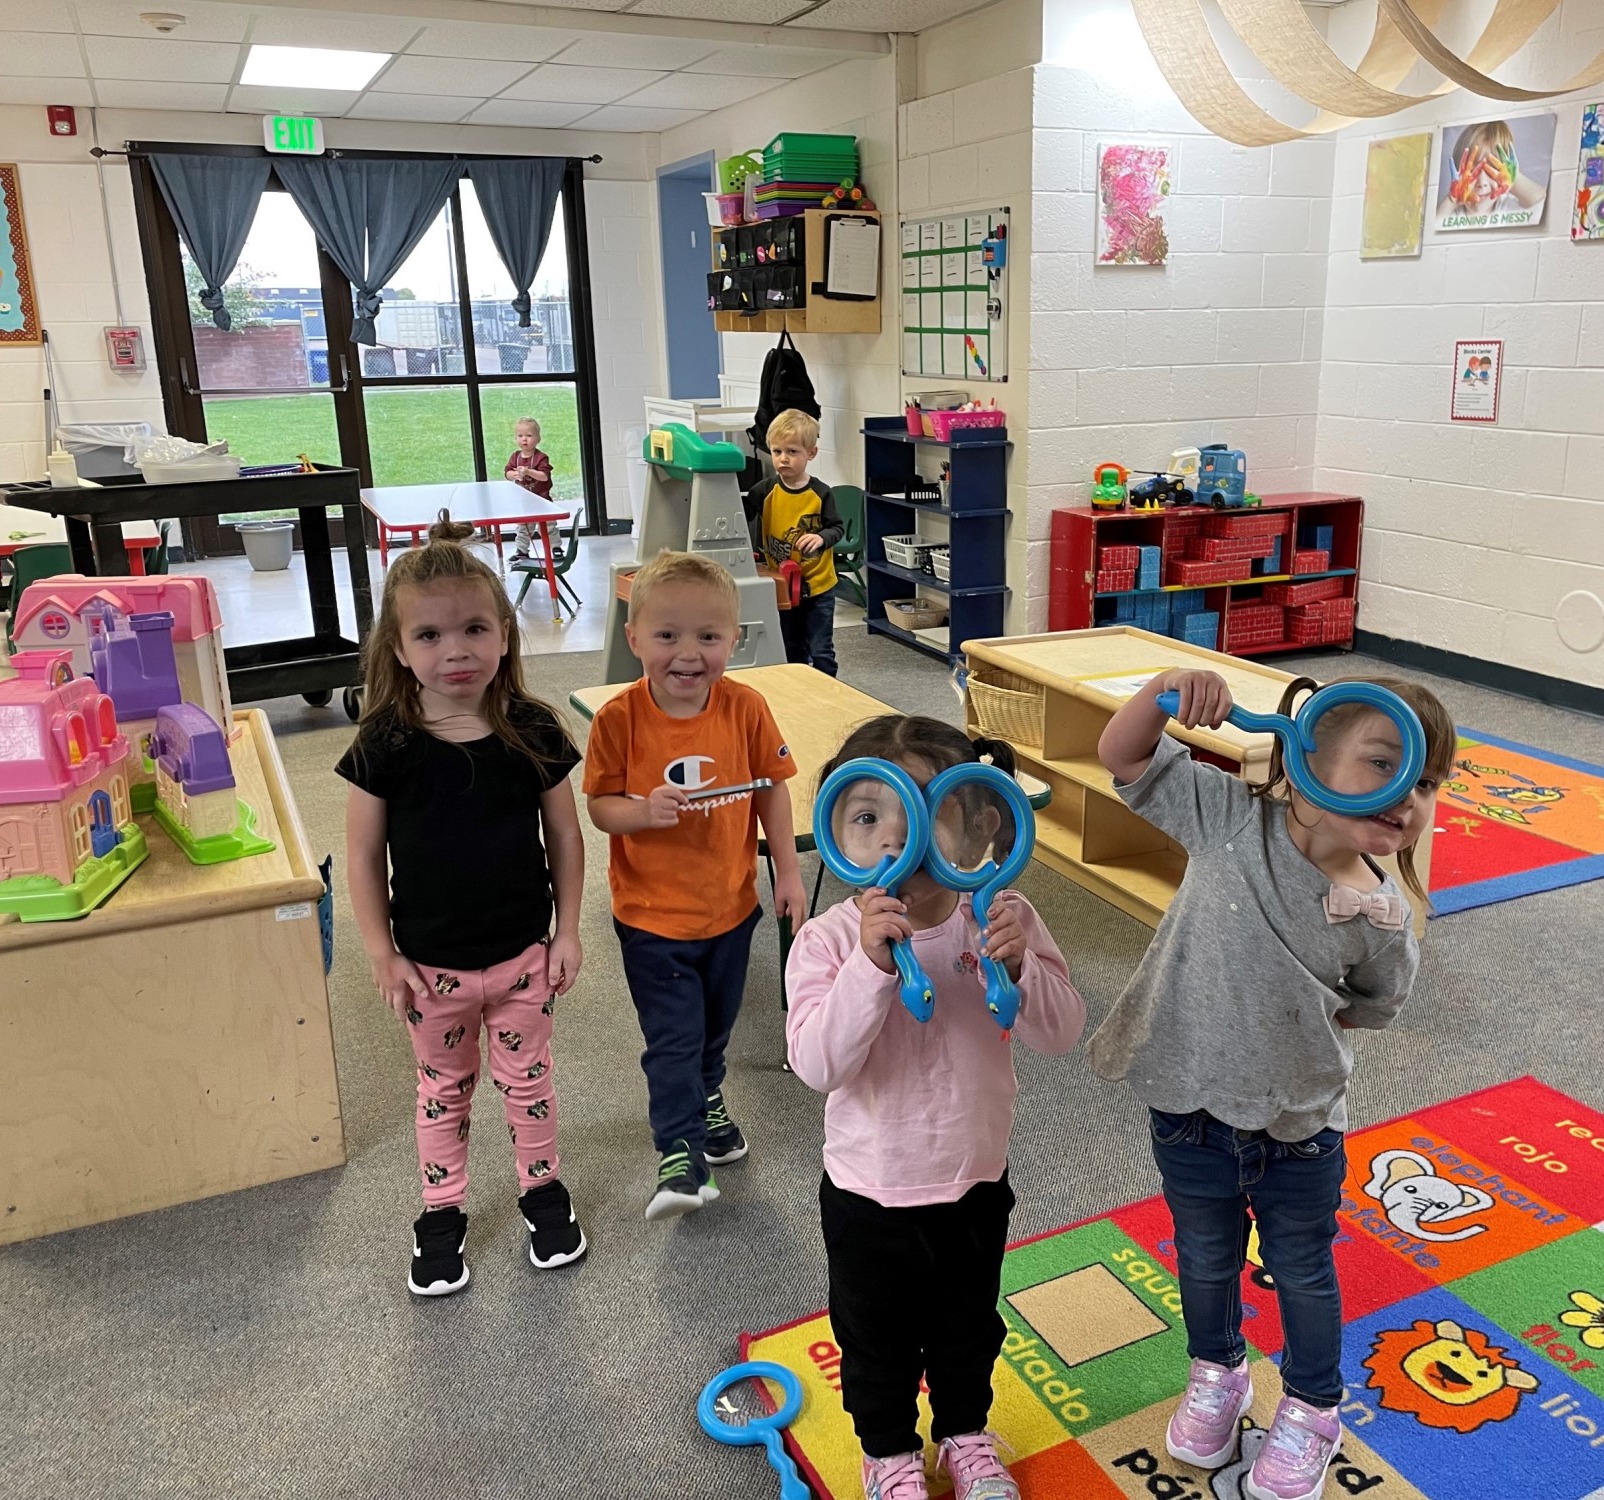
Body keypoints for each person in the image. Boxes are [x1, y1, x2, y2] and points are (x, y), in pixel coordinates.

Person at [1089, 669, 1455, 1500]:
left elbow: (1373, 1010)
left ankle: (1313, 1408)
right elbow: (1121, 753)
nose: (1411, 796)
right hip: (1188, 1109)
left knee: (1302, 1269)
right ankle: (1216, 1372)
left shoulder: (1383, 917)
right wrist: (1167, 692)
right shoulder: (1223, 818)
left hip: (1300, 1131)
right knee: (1205, 1257)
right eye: (1388, 763)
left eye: (1429, 781)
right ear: (1305, 754)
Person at [787, 716, 1086, 1500]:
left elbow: (1061, 1034)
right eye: (869, 817)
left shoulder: (998, 918)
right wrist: (870, 967)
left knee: (968, 1328)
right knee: (875, 1342)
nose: (900, 842)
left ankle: (964, 1434)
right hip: (869, 1193)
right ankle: (887, 1453)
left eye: (927, 813)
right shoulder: (826, 941)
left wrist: (1020, 968)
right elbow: (818, 1064)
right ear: (834, 833)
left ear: (978, 824)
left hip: (975, 1181)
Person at [337, 515, 588, 1298]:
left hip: (522, 960)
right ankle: (441, 1212)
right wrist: (380, 953)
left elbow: (567, 839)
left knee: (529, 1082)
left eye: (476, 628)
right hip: (430, 971)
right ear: (399, 649)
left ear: (505, 635)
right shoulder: (385, 743)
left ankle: (541, 1191)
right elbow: (361, 858)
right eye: (432, 635)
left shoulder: (535, 729)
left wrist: (569, 932)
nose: (456, 651)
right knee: (443, 1089)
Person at [584, 550, 807, 1219]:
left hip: (732, 909)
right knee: (674, 1038)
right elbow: (600, 808)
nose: (688, 653)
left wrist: (788, 872)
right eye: (667, 635)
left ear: (734, 640)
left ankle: (708, 1098)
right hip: (651, 919)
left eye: (708, 637)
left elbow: (771, 789)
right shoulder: (619, 720)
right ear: (634, 638)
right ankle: (679, 1154)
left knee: (715, 1030)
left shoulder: (746, 707)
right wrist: (641, 812)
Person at [744, 408, 842, 677]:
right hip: (784, 587)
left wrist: (821, 537)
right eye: (777, 452)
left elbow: (837, 528)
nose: (783, 459)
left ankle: (829, 690)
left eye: (792, 452)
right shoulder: (764, 490)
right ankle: (799, 689)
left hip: (819, 586)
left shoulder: (821, 493)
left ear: (811, 453)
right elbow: (741, 514)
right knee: (791, 647)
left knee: (821, 649)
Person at [504, 417, 556, 565]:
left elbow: (544, 477)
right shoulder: (515, 457)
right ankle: (522, 551)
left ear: (538, 439)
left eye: (529, 435)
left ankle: (556, 548)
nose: (524, 439)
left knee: (549, 526)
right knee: (523, 527)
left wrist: (528, 472)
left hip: (542, 500)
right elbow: (507, 473)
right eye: (520, 436)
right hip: (524, 502)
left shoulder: (541, 458)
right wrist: (513, 475)